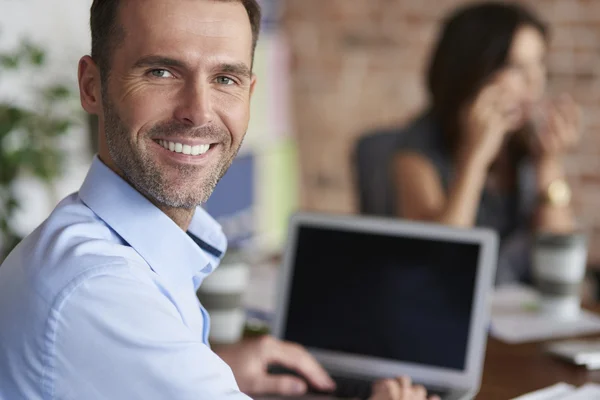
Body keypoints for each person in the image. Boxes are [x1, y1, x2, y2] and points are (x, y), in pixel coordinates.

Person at [0, 1, 438, 399]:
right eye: (161, 72)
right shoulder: (99, 288)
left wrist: (214, 364)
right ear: (92, 86)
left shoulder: (96, 247)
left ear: (248, 94)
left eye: (225, 79)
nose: (199, 111)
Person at [392, 2, 581, 284]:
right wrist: (474, 158)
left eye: (539, 63)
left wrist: (549, 165)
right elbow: (439, 265)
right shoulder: (418, 147)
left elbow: (561, 274)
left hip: (521, 314)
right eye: (516, 67)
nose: (535, 81)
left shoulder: (527, 141)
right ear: (473, 72)